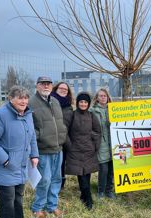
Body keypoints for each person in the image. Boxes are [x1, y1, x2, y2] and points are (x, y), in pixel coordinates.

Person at [0, 85, 39, 218]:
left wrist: (34, 154)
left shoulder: (28, 114)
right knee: (8, 201)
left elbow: (32, 136)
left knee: (18, 198)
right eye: (20, 98)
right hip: (4, 168)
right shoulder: (1, 115)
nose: (24, 101)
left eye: (26, 98)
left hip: (21, 166)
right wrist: (6, 160)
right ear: (10, 99)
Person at [30, 76, 67, 218]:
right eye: (43, 84)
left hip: (58, 148)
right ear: (37, 86)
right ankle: (38, 207)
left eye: (48, 84)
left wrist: (62, 133)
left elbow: (59, 122)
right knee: (44, 179)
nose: (46, 86)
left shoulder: (55, 101)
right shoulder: (31, 102)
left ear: (52, 87)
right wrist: (40, 136)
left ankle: (52, 206)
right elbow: (29, 125)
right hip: (43, 149)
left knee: (57, 178)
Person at [65, 92, 101, 210]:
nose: (83, 104)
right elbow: (65, 132)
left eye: (85, 102)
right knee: (81, 176)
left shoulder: (91, 116)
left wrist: (95, 145)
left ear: (88, 104)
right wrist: (70, 146)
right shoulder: (72, 115)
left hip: (88, 151)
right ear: (77, 103)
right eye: (81, 102)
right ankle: (88, 200)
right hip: (75, 151)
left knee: (87, 175)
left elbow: (98, 132)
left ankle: (83, 196)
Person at [91, 88, 116, 199]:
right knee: (103, 169)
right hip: (101, 143)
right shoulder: (92, 111)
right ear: (97, 98)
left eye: (104, 96)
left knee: (112, 169)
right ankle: (101, 191)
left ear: (108, 97)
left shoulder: (114, 109)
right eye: (100, 96)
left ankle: (109, 190)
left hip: (114, 142)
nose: (103, 97)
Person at [51, 82, 74, 189]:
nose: (63, 90)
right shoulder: (49, 101)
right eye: (61, 88)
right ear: (56, 89)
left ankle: (60, 185)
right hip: (50, 139)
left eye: (66, 89)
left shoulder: (69, 107)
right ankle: (48, 185)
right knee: (50, 164)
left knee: (61, 163)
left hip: (64, 140)